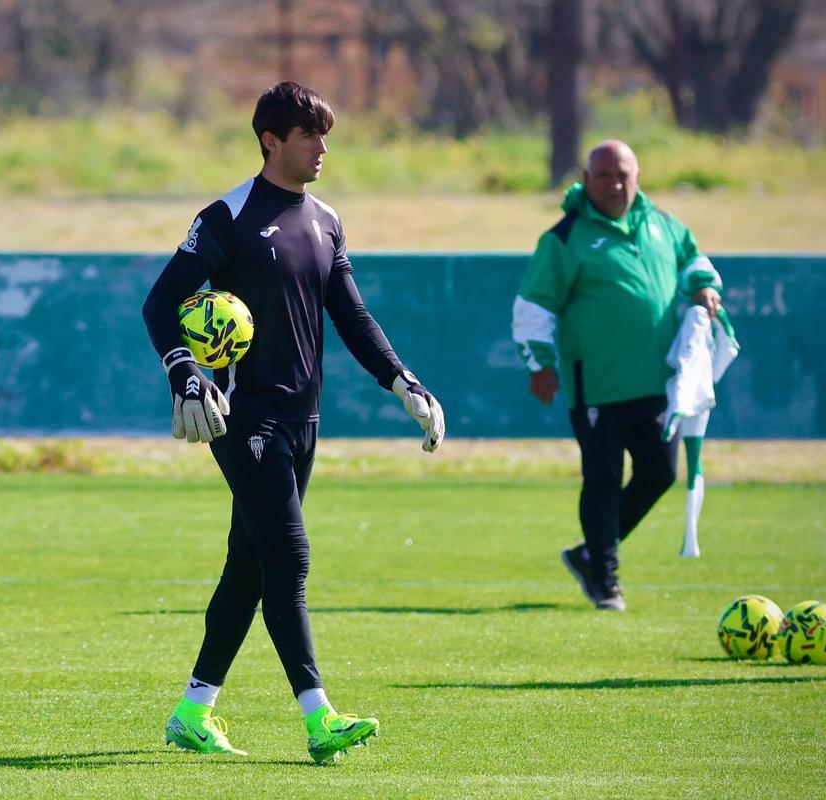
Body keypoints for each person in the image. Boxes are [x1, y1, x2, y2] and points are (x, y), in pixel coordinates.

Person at [141, 81, 445, 763]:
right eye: (309, 135)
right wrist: (185, 370)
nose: (322, 148)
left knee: (248, 570)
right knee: (289, 558)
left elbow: (353, 315)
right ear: (271, 140)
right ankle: (319, 719)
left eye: (325, 135)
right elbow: (162, 303)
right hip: (244, 417)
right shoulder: (228, 216)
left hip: (305, 419)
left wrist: (403, 380)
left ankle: (193, 711)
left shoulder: (326, 220)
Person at [511, 140, 722, 612]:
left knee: (660, 472)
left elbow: (693, 259)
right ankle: (604, 575)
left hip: (657, 381)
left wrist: (703, 284)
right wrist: (540, 363)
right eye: (604, 175)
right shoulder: (565, 238)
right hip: (597, 385)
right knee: (603, 477)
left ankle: (590, 554)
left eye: (623, 174)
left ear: (638, 177)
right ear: (586, 180)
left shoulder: (664, 224)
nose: (615, 184)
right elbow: (533, 304)